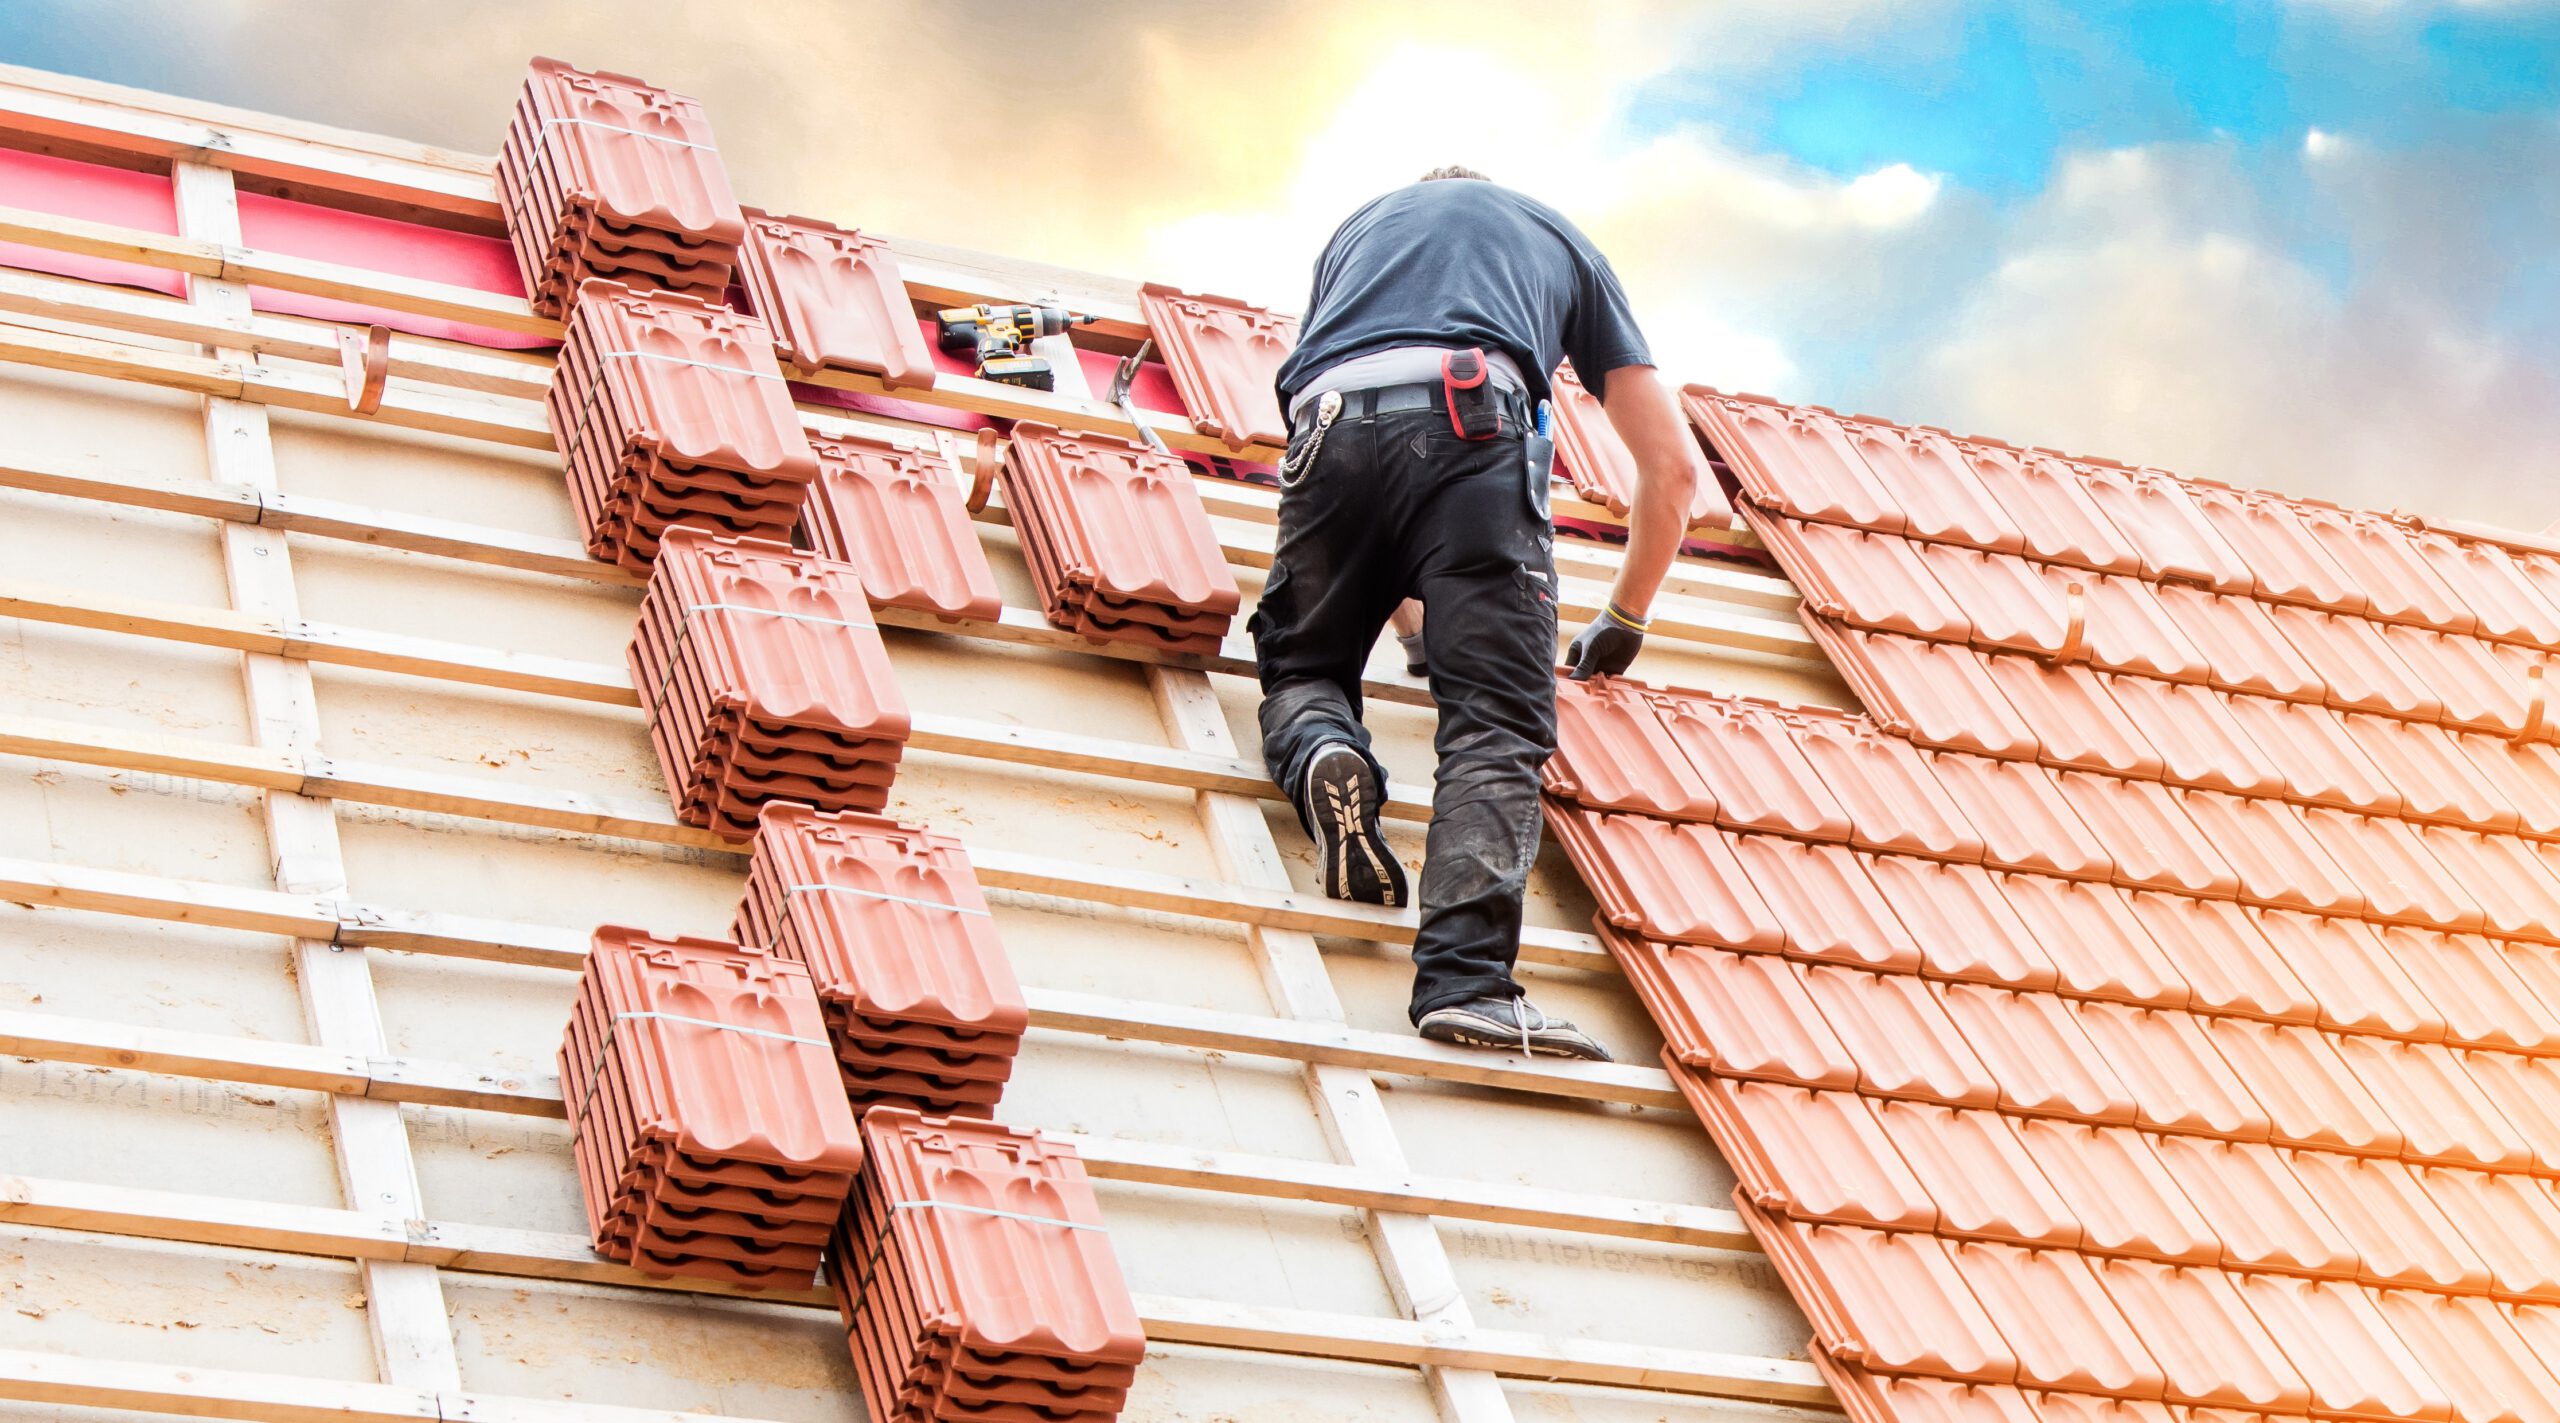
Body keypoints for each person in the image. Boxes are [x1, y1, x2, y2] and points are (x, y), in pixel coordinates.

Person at [1251, 166, 1700, 1061]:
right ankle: (1467, 984)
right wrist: (1628, 611)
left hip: (1322, 428)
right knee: (1495, 719)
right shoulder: (1559, 240)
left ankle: (1323, 754)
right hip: (1469, 418)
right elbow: (1675, 470)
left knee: (1304, 663)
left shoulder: (1356, 232)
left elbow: (1378, 493)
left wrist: (1419, 638)